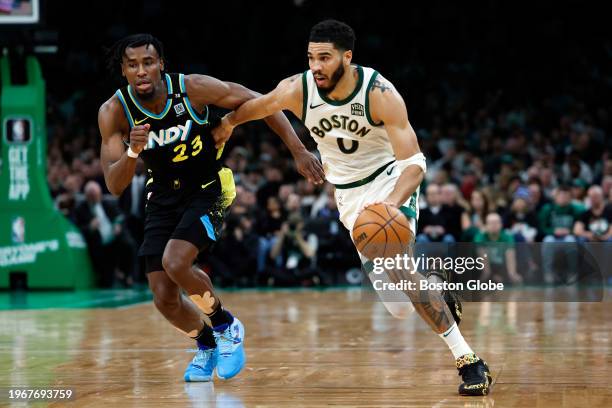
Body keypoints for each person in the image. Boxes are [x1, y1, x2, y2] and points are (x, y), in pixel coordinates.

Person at [212, 20, 492, 396]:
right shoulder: (298, 88)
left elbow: (415, 163)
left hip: (389, 183)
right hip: (347, 197)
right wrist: (228, 123)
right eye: (311, 57)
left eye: (325, 57)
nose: (316, 65)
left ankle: (470, 362)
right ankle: (437, 288)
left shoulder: (379, 93)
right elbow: (259, 107)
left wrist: (391, 206)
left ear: (347, 56)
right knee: (399, 306)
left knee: (401, 275)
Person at [98, 34, 325, 383]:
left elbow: (261, 102)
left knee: (176, 262)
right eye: (132, 65)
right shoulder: (114, 112)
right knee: (163, 298)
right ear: (124, 71)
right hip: (161, 197)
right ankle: (206, 345)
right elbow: (114, 185)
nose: (141, 70)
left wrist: (297, 150)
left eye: (148, 62)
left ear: (161, 65)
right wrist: (132, 153)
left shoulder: (192, 89)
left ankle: (226, 326)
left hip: (208, 188)